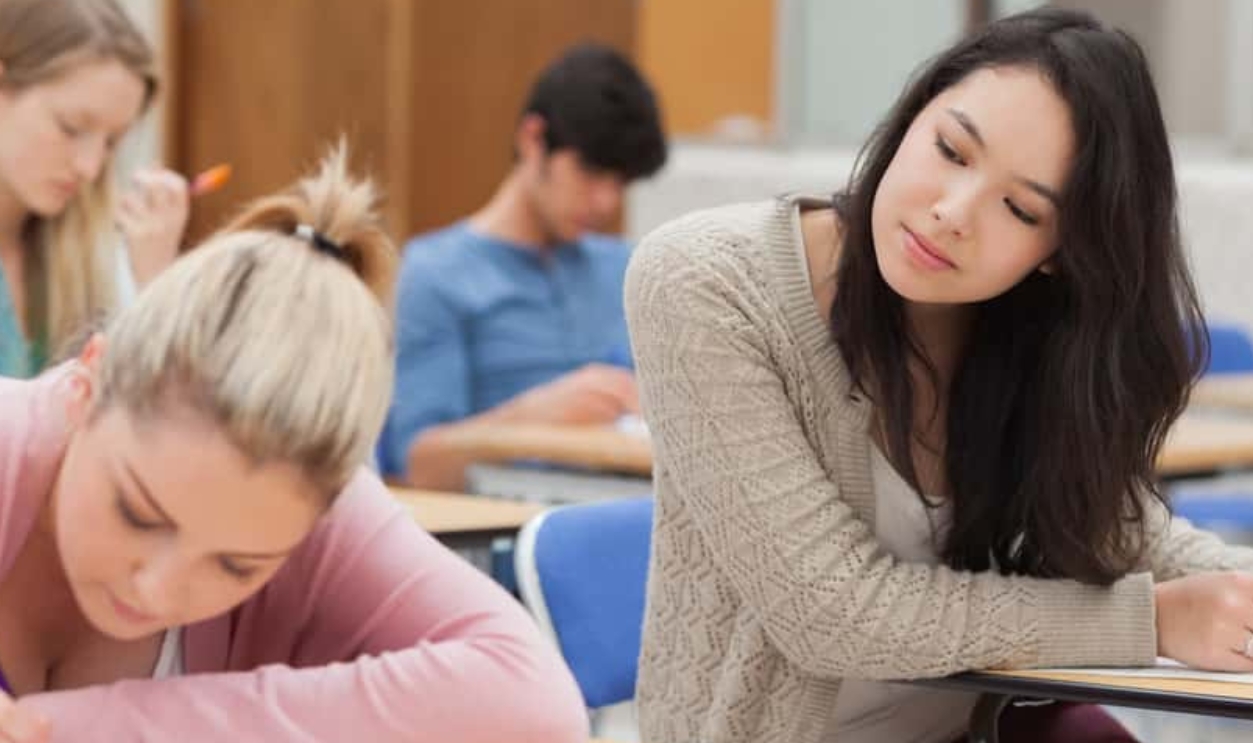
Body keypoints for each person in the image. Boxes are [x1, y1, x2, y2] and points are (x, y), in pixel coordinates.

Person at [624, 8, 1253, 743]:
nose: (952, 213)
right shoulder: (707, 283)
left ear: (1060, 253)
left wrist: (1235, 597)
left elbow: (1122, 534)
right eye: (951, 149)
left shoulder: (1024, 333)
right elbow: (830, 613)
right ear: (912, 114)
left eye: (1019, 208)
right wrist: (1150, 622)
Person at [0, 146, 587, 743]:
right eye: (137, 514)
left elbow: (535, 704)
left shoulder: (314, 501)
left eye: (236, 566)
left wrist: (65, 727)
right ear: (89, 382)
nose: (156, 588)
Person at [379, 42, 668, 489]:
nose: (606, 202)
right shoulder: (435, 273)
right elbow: (417, 465)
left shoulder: (624, 267)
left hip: (629, 503)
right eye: (591, 173)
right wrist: (533, 417)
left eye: (620, 183)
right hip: (501, 518)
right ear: (534, 140)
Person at [0, 0, 190, 379]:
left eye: (111, 143)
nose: (89, 168)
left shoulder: (102, 258)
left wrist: (155, 284)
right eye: (71, 128)